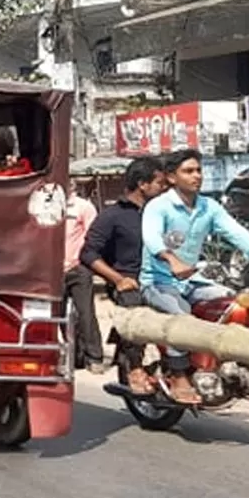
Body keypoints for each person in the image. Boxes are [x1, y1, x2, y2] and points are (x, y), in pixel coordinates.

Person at [141, 148, 249, 404]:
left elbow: (235, 232)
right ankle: (178, 374)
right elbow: (152, 237)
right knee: (182, 319)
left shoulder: (208, 207)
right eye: (188, 171)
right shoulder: (159, 206)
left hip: (193, 281)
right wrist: (171, 260)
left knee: (236, 304)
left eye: (198, 170)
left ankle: (233, 363)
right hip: (159, 281)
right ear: (171, 177)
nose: (196, 176)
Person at [81, 156, 168, 392]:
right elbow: (88, 254)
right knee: (135, 310)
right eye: (159, 183)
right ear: (143, 184)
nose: (163, 189)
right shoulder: (113, 216)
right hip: (129, 283)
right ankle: (135, 368)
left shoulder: (162, 214)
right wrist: (118, 280)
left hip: (162, 281)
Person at [63, 181, 102, 374]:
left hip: (78, 268)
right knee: (52, 314)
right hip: (52, 270)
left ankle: (94, 357)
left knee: (86, 313)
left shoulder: (83, 207)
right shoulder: (46, 206)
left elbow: (92, 238)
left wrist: (80, 261)